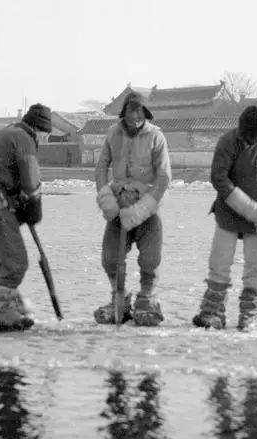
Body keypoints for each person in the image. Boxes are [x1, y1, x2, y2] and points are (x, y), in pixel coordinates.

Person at [192, 105, 257, 331]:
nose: (255, 139)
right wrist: (249, 208)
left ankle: (251, 313)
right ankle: (213, 311)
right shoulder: (228, 142)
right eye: (251, 136)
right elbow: (219, 178)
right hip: (229, 212)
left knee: (256, 268)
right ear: (242, 131)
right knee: (219, 264)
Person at [0, 103, 52, 331]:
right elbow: (30, 174)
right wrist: (33, 202)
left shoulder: (3, 134)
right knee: (15, 263)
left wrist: (18, 201)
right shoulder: (24, 139)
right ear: (39, 129)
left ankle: (9, 303)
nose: (44, 142)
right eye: (46, 136)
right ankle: (3, 310)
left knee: (4, 262)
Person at [94, 92, 171, 326]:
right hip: (117, 208)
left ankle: (147, 298)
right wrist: (106, 198)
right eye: (131, 110)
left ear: (145, 113)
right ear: (124, 112)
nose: (135, 116)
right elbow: (101, 168)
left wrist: (144, 207)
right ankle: (119, 298)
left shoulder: (156, 136)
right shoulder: (112, 134)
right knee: (110, 258)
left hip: (146, 209)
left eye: (139, 111)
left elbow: (164, 176)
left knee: (150, 259)